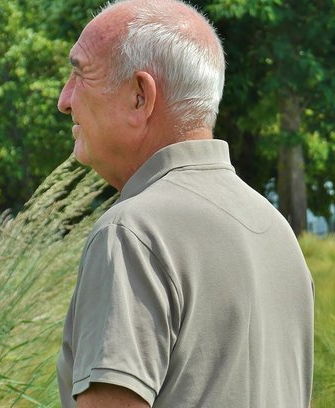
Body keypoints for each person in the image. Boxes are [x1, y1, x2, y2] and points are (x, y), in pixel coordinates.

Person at [56, 0, 314, 407]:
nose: (64, 99)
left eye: (80, 74)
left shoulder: (131, 233)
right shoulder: (276, 230)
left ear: (140, 96)